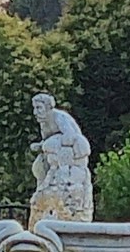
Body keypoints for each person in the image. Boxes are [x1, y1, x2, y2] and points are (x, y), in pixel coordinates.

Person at [27, 91, 94, 225]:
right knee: (39, 165)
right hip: (56, 156)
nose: (35, 112)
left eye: (39, 108)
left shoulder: (59, 117)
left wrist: (49, 144)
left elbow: (70, 137)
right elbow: (45, 142)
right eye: (34, 108)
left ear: (48, 107)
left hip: (74, 154)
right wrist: (41, 146)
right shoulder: (44, 123)